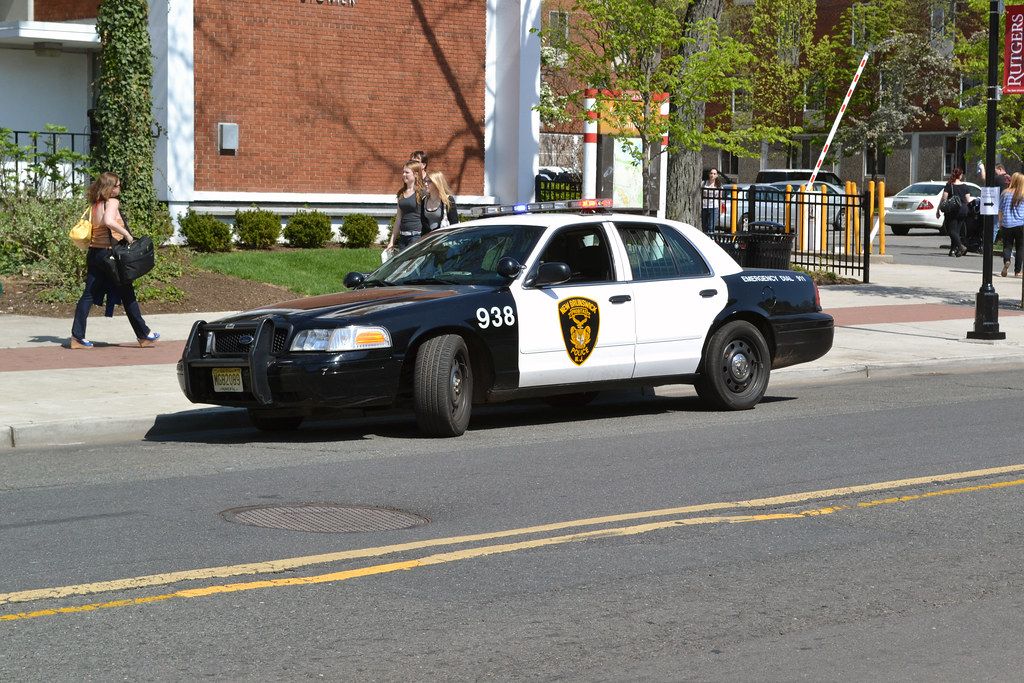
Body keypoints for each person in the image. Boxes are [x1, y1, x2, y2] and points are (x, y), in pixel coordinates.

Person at [70, 172, 159, 349]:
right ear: (109, 188)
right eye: (117, 185)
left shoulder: (94, 205)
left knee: (88, 294)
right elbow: (109, 221)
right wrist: (127, 234)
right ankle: (144, 335)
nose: (120, 188)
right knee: (127, 294)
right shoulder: (112, 202)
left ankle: (77, 337)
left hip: (95, 254)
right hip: (110, 257)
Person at [387, 160, 426, 250]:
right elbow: (398, 218)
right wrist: (391, 241)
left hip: (417, 236)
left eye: (407, 172)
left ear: (416, 174)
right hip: (403, 237)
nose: (404, 175)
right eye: (403, 172)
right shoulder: (401, 193)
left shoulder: (422, 193)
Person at [936, 167, 972, 257]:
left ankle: (960, 246)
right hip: (963, 210)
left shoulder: (949, 185)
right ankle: (953, 250)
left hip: (953, 210)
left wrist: (938, 208)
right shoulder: (965, 186)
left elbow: (944, 198)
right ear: (960, 175)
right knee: (957, 231)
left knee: (951, 231)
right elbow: (968, 200)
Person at [998, 172, 1024, 277]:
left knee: (1007, 246)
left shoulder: (1005, 193)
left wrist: (1000, 222)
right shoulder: (1022, 194)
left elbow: (1000, 210)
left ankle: (1007, 261)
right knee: (1020, 247)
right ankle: (1017, 271)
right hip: (1020, 223)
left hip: (1007, 223)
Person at [421, 170, 460, 235]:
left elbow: (454, 222)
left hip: (443, 238)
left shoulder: (448, 199)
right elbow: (423, 223)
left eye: (429, 182)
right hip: (429, 238)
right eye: (425, 181)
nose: (425, 184)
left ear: (437, 183)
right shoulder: (424, 200)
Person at [700, 169, 723, 233]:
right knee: (704, 226)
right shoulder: (704, 183)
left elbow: (720, 198)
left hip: (714, 207)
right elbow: (700, 195)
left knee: (711, 226)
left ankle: (711, 238)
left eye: (714, 174)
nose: (712, 175)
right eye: (711, 173)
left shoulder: (718, 185)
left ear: (717, 175)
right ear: (709, 174)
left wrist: (720, 210)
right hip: (704, 207)